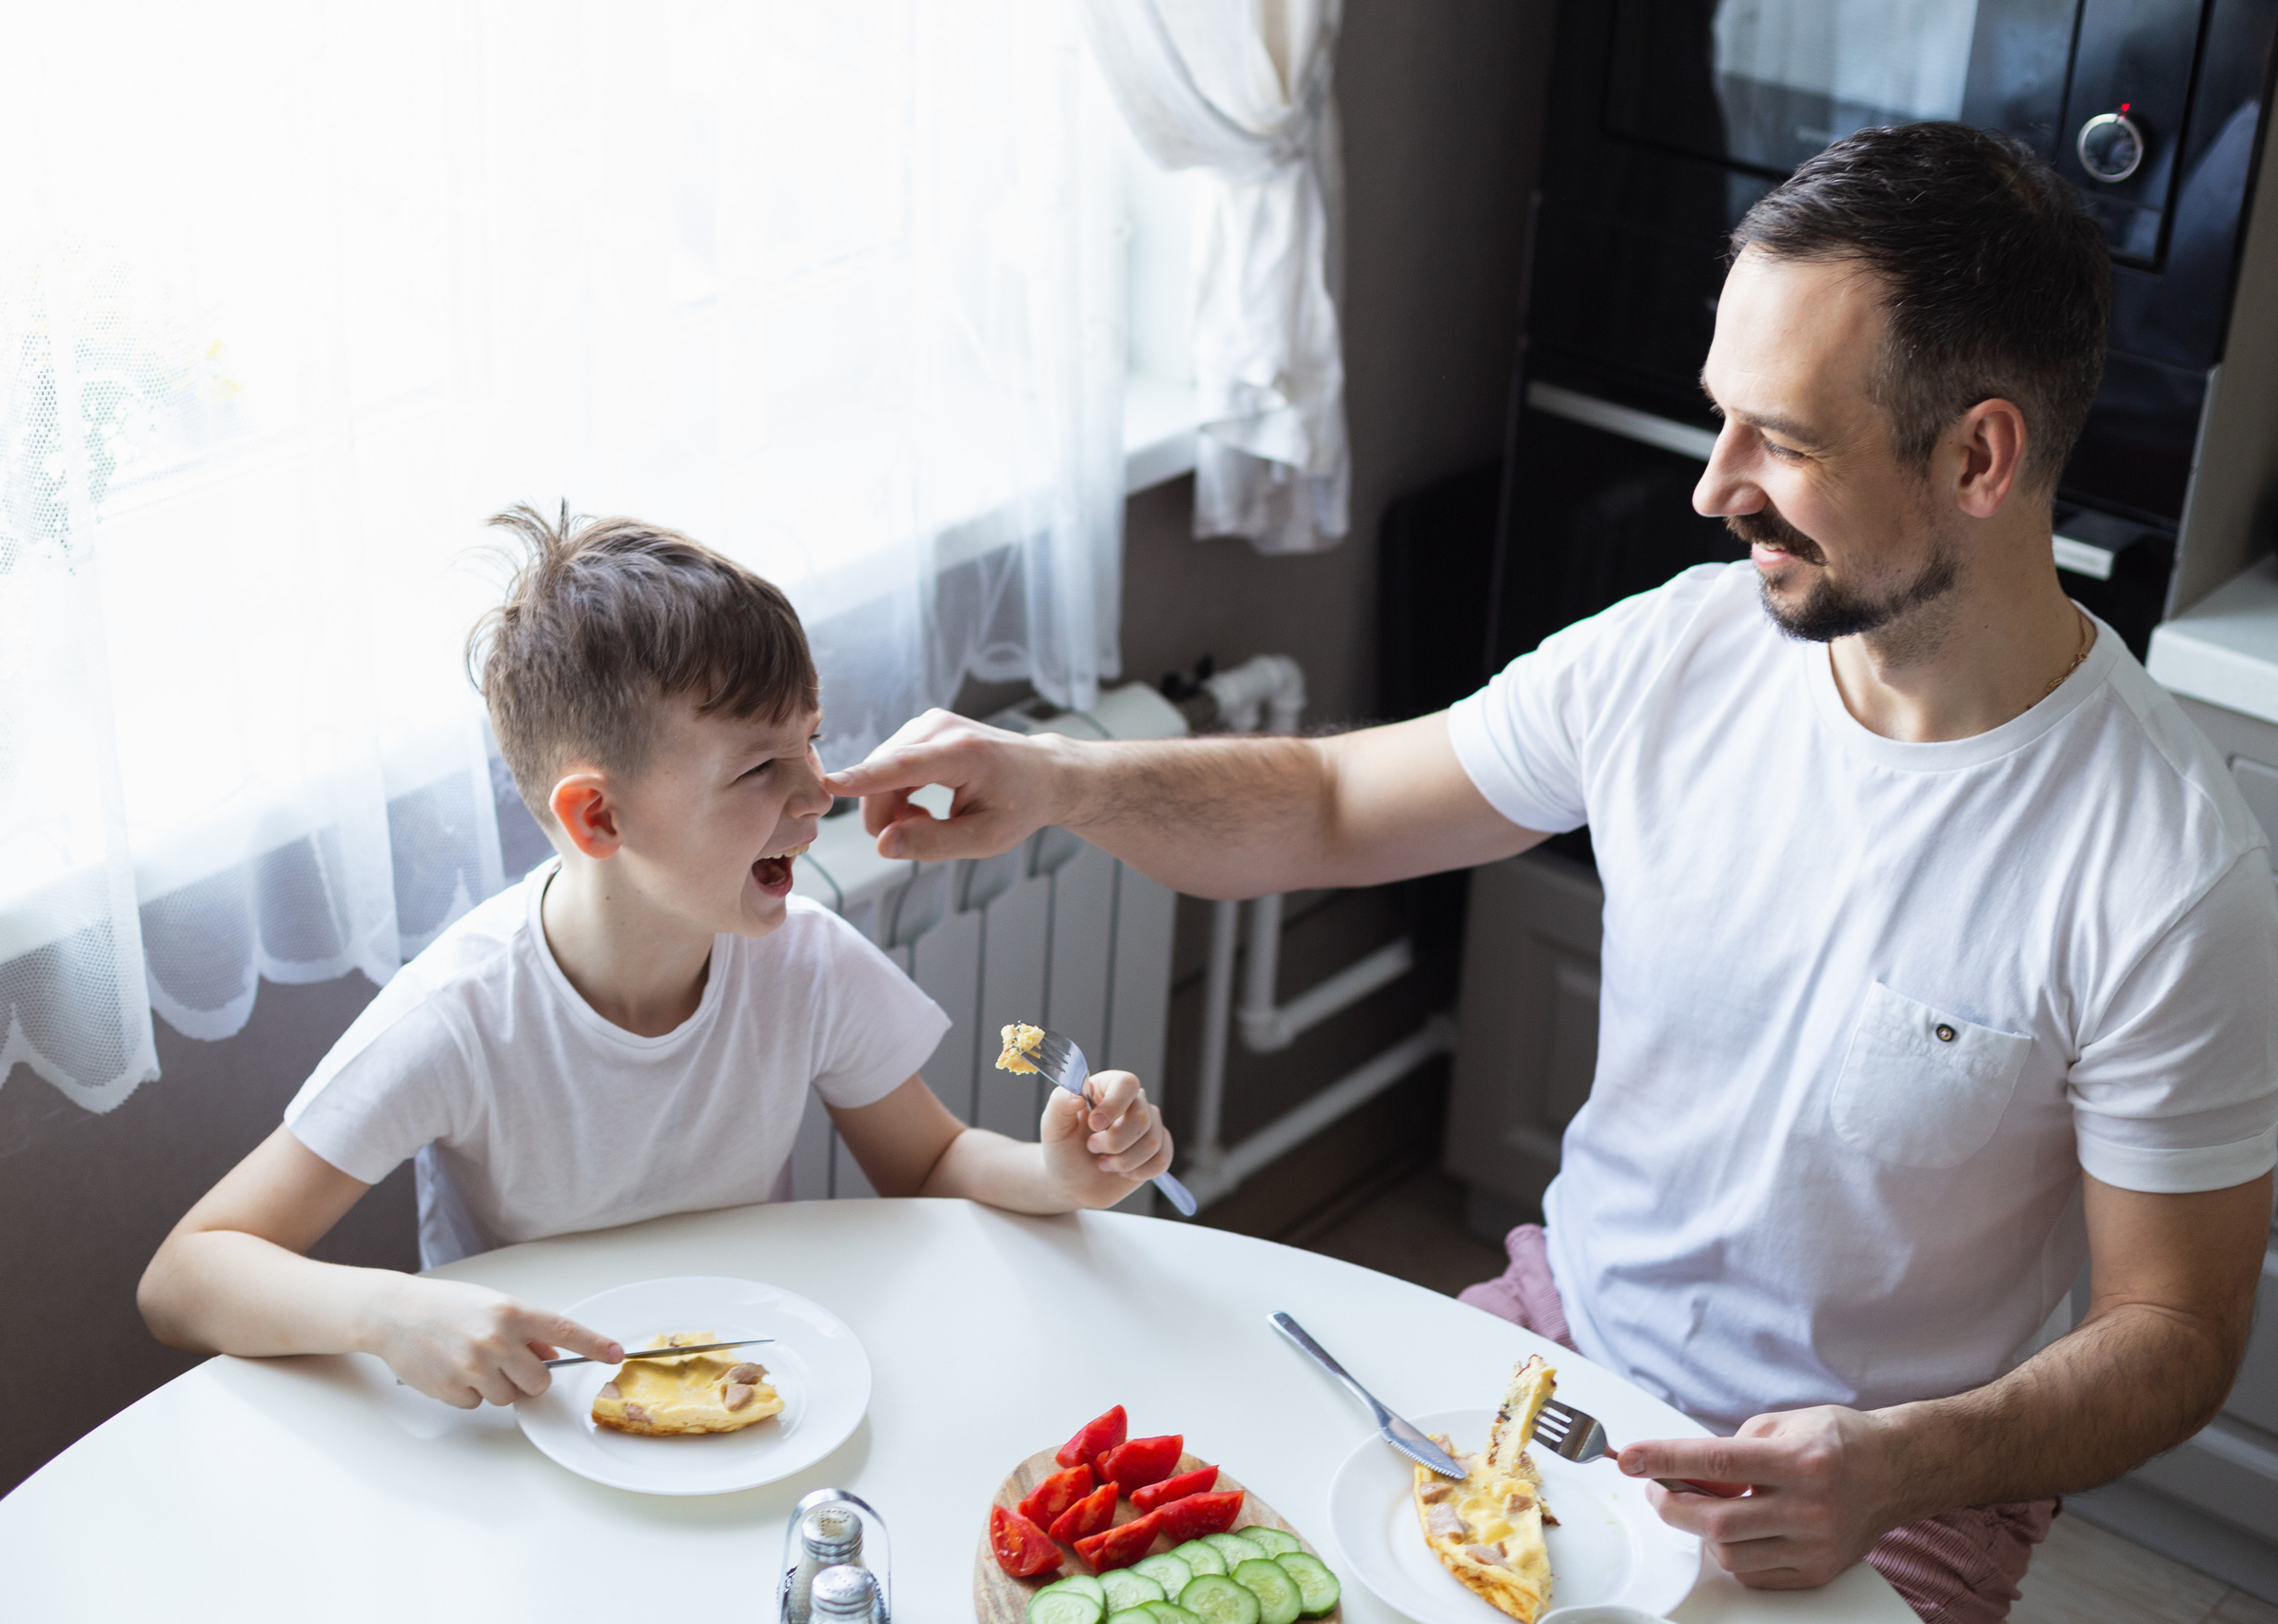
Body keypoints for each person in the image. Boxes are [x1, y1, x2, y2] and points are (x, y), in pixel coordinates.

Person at [822, 125, 2278, 1624]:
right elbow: (1329, 799)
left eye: (1785, 438)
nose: (1717, 487)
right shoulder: (1679, 651)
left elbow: (2175, 1323)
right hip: (1554, 1347)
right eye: (1723, 419)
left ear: (1980, 456)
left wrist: (1902, 1460)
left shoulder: (2165, 868)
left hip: (1889, 1492)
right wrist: (1062, 780)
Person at [138, 505, 1173, 1409]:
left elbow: (931, 1162)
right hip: (536, 1423)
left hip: (751, 1390)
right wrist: (384, 1313)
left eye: (810, 742)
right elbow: (185, 1277)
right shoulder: (462, 1016)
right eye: (763, 767)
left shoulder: (804, 963)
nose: (818, 798)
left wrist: (1054, 1175)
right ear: (597, 817)